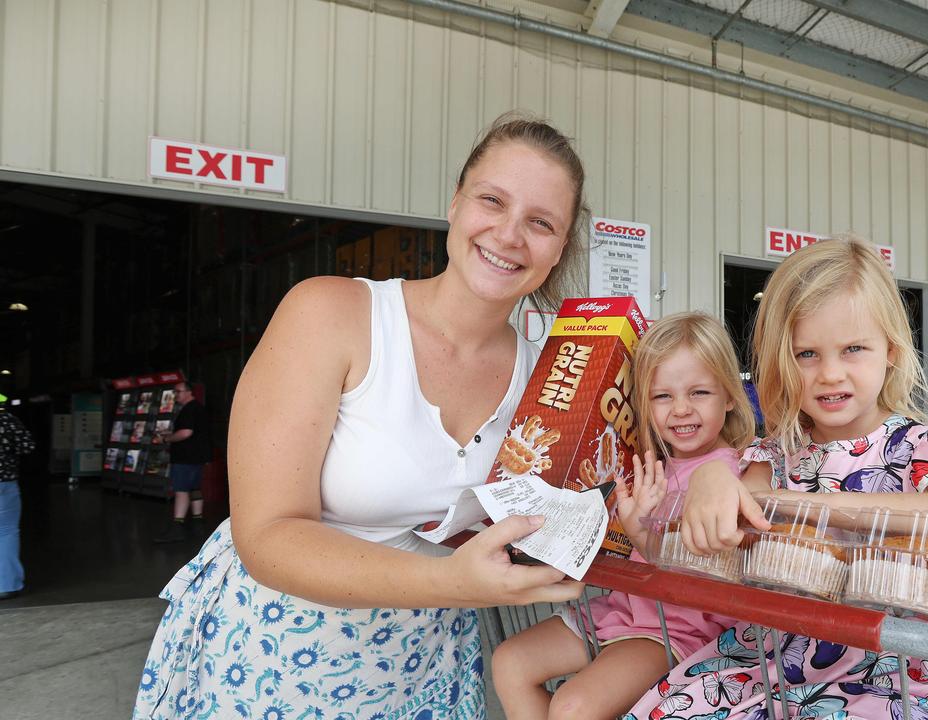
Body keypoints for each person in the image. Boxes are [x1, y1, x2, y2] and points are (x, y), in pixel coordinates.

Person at [133, 115, 589, 719]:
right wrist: (456, 583)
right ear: (455, 204)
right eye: (492, 200)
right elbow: (266, 537)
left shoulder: (549, 381)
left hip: (425, 668)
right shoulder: (332, 314)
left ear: (559, 248)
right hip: (273, 659)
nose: (509, 234)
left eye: (540, 222)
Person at [626, 237, 928, 720]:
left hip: (893, 673)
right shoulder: (771, 458)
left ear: (891, 352)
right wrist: (711, 477)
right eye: (806, 354)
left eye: (853, 348)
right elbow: (728, 537)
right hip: (768, 660)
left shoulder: (921, 446)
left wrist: (826, 509)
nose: (830, 373)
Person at [492, 312, 757, 720]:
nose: (681, 410)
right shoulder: (649, 463)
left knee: (573, 707)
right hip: (623, 609)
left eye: (699, 392)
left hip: (677, 631)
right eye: (662, 396)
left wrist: (638, 531)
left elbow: (707, 559)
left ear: (730, 395)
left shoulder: (731, 472)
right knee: (511, 662)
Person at [152, 381, 213, 543]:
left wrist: (167, 438)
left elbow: (186, 433)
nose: (175, 395)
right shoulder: (199, 408)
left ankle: (177, 528)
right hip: (198, 457)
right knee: (195, 488)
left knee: (181, 490)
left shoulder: (188, 409)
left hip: (185, 458)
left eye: (178, 392)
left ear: (188, 392)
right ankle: (198, 523)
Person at [0, 398, 35, 600]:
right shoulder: (8, 421)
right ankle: (7, 584)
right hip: (5, 484)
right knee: (7, 532)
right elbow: (27, 446)